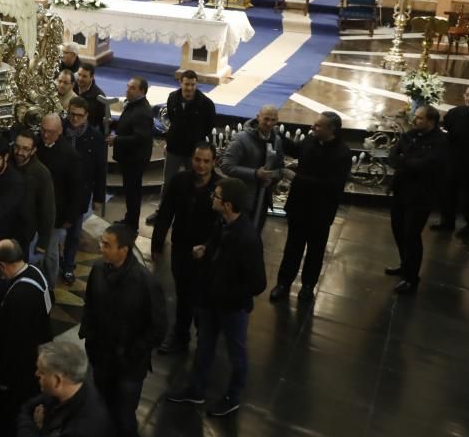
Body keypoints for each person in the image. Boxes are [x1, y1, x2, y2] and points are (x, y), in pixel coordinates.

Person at [167, 177, 267, 417]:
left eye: (217, 196)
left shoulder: (247, 239)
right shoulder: (222, 223)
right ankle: (196, 388)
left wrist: (229, 292)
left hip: (232, 308)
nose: (213, 197)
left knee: (237, 354)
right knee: (204, 346)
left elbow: (258, 284)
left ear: (228, 205)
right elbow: (217, 246)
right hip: (210, 300)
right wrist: (206, 249)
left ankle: (233, 396)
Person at [79, 224, 166, 437]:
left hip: (129, 365)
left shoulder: (145, 283)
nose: (100, 247)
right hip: (101, 357)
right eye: (102, 242)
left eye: (107, 245)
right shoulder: (97, 270)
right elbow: (90, 305)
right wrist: (89, 335)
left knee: (124, 415)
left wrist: (134, 350)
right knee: (101, 407)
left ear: (124, 250)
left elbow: (159, 326)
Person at [0, 240, 52, 437]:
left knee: (10, 412)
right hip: (37, 352)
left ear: (3, 265)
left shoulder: (19, 296)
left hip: (19, 367)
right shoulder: (36, 272)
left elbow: (13, 343)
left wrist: (3, 378)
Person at [271, 111, 353, 302]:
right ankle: (283, 283)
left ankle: (308, 287)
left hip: (320, 211)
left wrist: (296, 178)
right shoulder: (311, 140)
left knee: (315, 251)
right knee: (292, 247)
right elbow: (295, 150)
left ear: (331, 129)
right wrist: (277, 133)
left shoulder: (342, 153)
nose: (312, 128)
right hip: (299, 206)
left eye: (317, 126)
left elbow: (331, 186)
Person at [151, 143, 221, 355]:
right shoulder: (180, 181)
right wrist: (157, 244)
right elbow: (165, 213)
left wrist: (208, 247)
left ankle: (204, 340)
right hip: (181, 247)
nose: (201, 165)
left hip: (208, 254)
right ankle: (180, 336)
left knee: (203, 297)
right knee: (183, 293)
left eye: (206, 161)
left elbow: (223, 226)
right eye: (197, 160)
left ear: (214, 162)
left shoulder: (220, 188)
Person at [16, 339, 117, 437]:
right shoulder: (75, 385)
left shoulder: (83, 431)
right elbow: (26, 408)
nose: (36, 374)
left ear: (57, 381)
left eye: (42, 372)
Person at [386, 105, 450, 294]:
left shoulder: (441, 141)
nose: (414, 121)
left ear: (431, 121)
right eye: (415, 117)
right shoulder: (410, 134)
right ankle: (405, 264)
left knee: (411, 235)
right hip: (401, 190)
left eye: (420, 118)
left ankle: (411, 278)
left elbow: (427, 166)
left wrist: (405, 160)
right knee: (398, 230)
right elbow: (392, 155)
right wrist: (407, 161)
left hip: (421, 195)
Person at [151, 70, 216, 223]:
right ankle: (162, 211)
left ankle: (187, 214)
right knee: (168, 182)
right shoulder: (172, 97)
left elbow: (209, 126)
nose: (189, 88)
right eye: (187, 84)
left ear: (196, 84)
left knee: (192, 183)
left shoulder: (206, 104)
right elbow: (173, 120)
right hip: (174, 148)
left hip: (194, 152)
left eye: (193, 85)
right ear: (181, 83)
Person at [220, 104, 285, 235]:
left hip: (262, 200)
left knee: (253, 237)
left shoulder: (276, 140)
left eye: (273, 120)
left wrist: (273, 177)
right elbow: (226, 165)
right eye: (266, 119)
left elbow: (280, 166)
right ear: (257, 118)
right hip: (242, 198)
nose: (269, 123)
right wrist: (255, 174)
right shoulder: (241, 139)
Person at [63, 100, 107, 279]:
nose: (74, 118)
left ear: (86, 115)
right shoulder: (60, 131)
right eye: (71, 114)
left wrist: (98, 197)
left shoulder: (95, 138)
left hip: (80, 192)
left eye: (79, 115)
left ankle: (68, 265)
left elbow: (100, 169)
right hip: (60, 189)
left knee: (74, 232)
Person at [37, 114, 82, 288]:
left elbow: (75, 189)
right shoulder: (37, 145)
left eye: (50, 132)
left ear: (60, 131)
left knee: (50, 254)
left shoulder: (70, 155)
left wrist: (70, 217)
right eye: (43, 130)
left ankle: (49, 287)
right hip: (37, 209)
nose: (45, 135)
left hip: (57, 213)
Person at [110, 77, 153, 231]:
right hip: (130, 157)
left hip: (135, 159)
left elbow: (140, 138)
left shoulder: (142, 111)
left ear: (142, 91)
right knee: (130, 191)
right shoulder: (134, 104)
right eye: (127, 86)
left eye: (132, 88)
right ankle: (130, 219)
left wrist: (117, 140)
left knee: (133, 192)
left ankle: (132, 223)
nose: (127, 90)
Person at [438, 84, 469, 237]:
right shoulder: (455, 112)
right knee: (447, 193)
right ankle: (447, 222)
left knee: (466, 198)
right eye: (467, 95)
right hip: (453, 160)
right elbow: (446, 129)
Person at [10, 128, 56, 265]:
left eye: (25, 149)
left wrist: (43, 243)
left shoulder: (41, 173)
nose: (19, 152)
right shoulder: (7, 164)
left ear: (33, 150)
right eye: (17, 147)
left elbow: (48, 210)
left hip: (25, 234)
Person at [74, 62, 108, 132]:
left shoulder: (99, 96)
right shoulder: (72, 86)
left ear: (92, 77)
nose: (80, 78)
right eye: (79, 75)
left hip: (88, 133)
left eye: (84, 76)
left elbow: (104, 121)